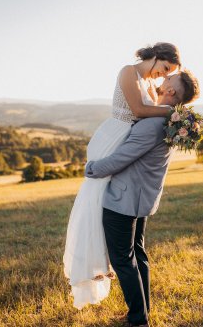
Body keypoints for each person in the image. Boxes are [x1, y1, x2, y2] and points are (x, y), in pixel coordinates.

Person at [63, 42, 182, 309]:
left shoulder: (152, 85)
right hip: (114, 138)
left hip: (129, 147)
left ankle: (139, 312)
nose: (162, 76)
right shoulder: (129, 72)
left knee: (130, 247)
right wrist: (171, 112)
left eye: (168, 74)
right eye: (164, 68)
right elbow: (139, 111)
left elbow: (144, 120)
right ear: (155, 56)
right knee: (95, 202)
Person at [84, 70, 200, 327]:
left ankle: (138, 320)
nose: (163, 79)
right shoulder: (168, 123)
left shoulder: (152, 124)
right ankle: (142, 312)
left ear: (170, 92)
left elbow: (121, 158)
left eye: (169, 79)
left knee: (123, 259)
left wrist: (91, 168)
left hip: (124, 201)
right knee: (138, 254)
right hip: (141, 199)